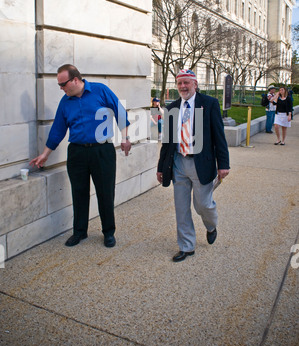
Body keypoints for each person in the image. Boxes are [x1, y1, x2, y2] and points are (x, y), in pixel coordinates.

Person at [30, 64, 131, 247]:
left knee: (105, 193)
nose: (61, 88)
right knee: (79, 192)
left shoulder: (101, 90)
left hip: (102, 151)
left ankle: (108, 232)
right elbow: (57, 130)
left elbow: (120, 112)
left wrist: (125, 137)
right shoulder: (65, 102)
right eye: (59, 85)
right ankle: (79, 232)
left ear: (75, 80)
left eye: (63, 84)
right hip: (77, 152)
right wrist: (45, 154)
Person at [156, 69, 230, 262]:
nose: (183, 86)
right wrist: (160, 168)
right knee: (181, 208)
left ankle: (211, 226)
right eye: (179, 83)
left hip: (201, 163)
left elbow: (219, 137)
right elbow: (167, 142)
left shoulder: (209, 104)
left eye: (186, 83)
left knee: (203, 204)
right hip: (179, 163)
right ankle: (187, 246)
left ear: (195, 84)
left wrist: (223, 164)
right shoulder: (172, 107)